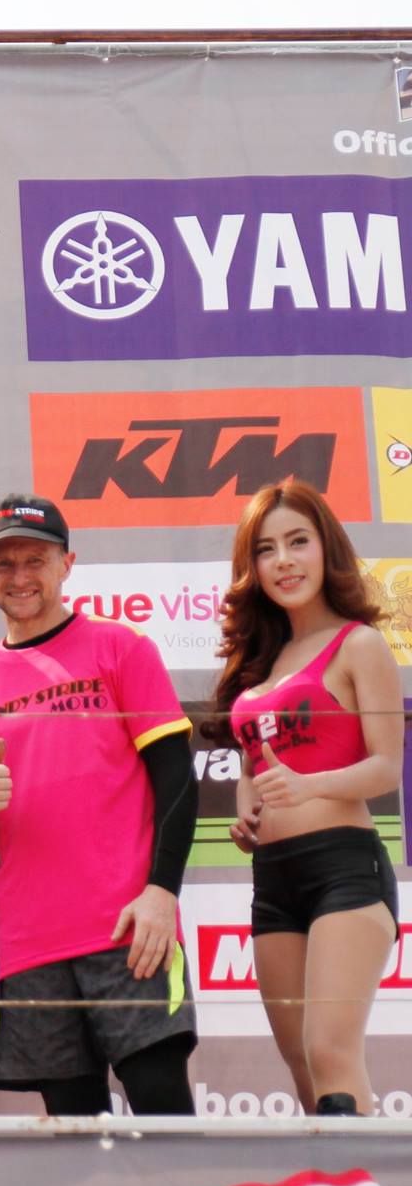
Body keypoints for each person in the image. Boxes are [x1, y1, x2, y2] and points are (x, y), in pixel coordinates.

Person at [0, 493, 198, 1116]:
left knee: (165, 1116)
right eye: (4, 564)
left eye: (36, 560)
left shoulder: (120, 647)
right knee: (75, 1136)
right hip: (32, 945)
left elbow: (177, 780)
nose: (20, 576)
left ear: (66, 564)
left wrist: (161, 892)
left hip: (129, 928)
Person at [212, 478, 403, 1116]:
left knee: (330, 1054)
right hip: (273, 879)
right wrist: (248, 802)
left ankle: (367, 1183)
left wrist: (308, 786)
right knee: (299, 1064)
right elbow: (256, 763)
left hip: (345, 870)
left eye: (298, 542)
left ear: (327, 549)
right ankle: (329, 1181)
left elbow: (386, 769)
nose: (284, 561)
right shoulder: (260, 665)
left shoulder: (359, 644)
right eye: (266, 549)